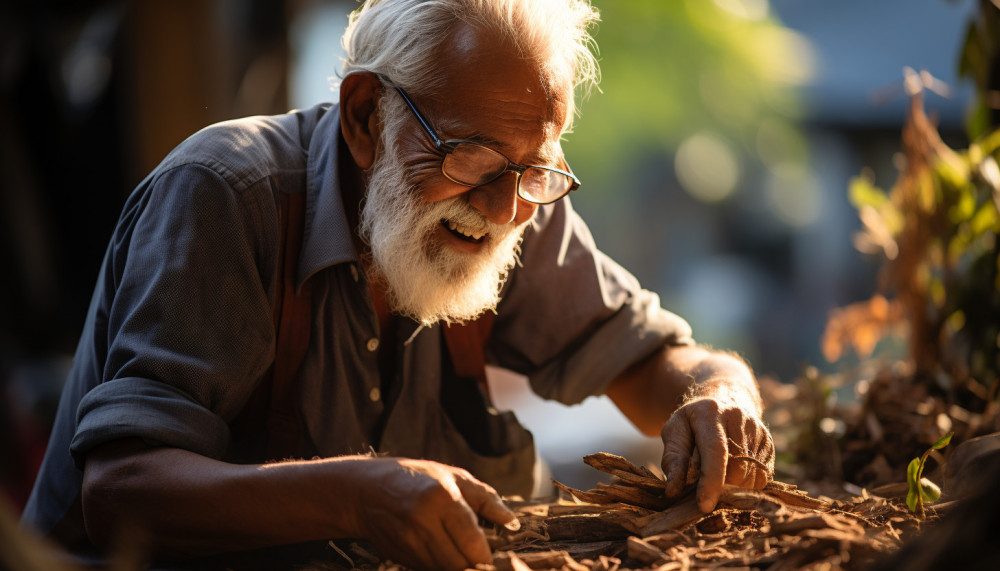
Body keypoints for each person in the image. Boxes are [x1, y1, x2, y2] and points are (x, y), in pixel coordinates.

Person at [21, 1, 774, 569]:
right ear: (364, 117)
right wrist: (357, 494)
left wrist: (718, 397)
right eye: (471, 157)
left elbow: (657, 363)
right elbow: (121, 488)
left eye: (533, 168)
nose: (505, 209)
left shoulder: (512, 201)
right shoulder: (225, 196)